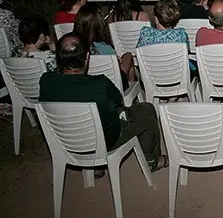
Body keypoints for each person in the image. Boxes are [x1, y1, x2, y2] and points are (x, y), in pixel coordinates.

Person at [39, 33, 167, 173]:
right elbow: (118, 100)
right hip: (103, 141)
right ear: (87, 57)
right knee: (146, 109)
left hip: (65, 140)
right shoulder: (99, 84)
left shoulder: (46, 81)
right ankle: (151, 161)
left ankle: (97, 168)